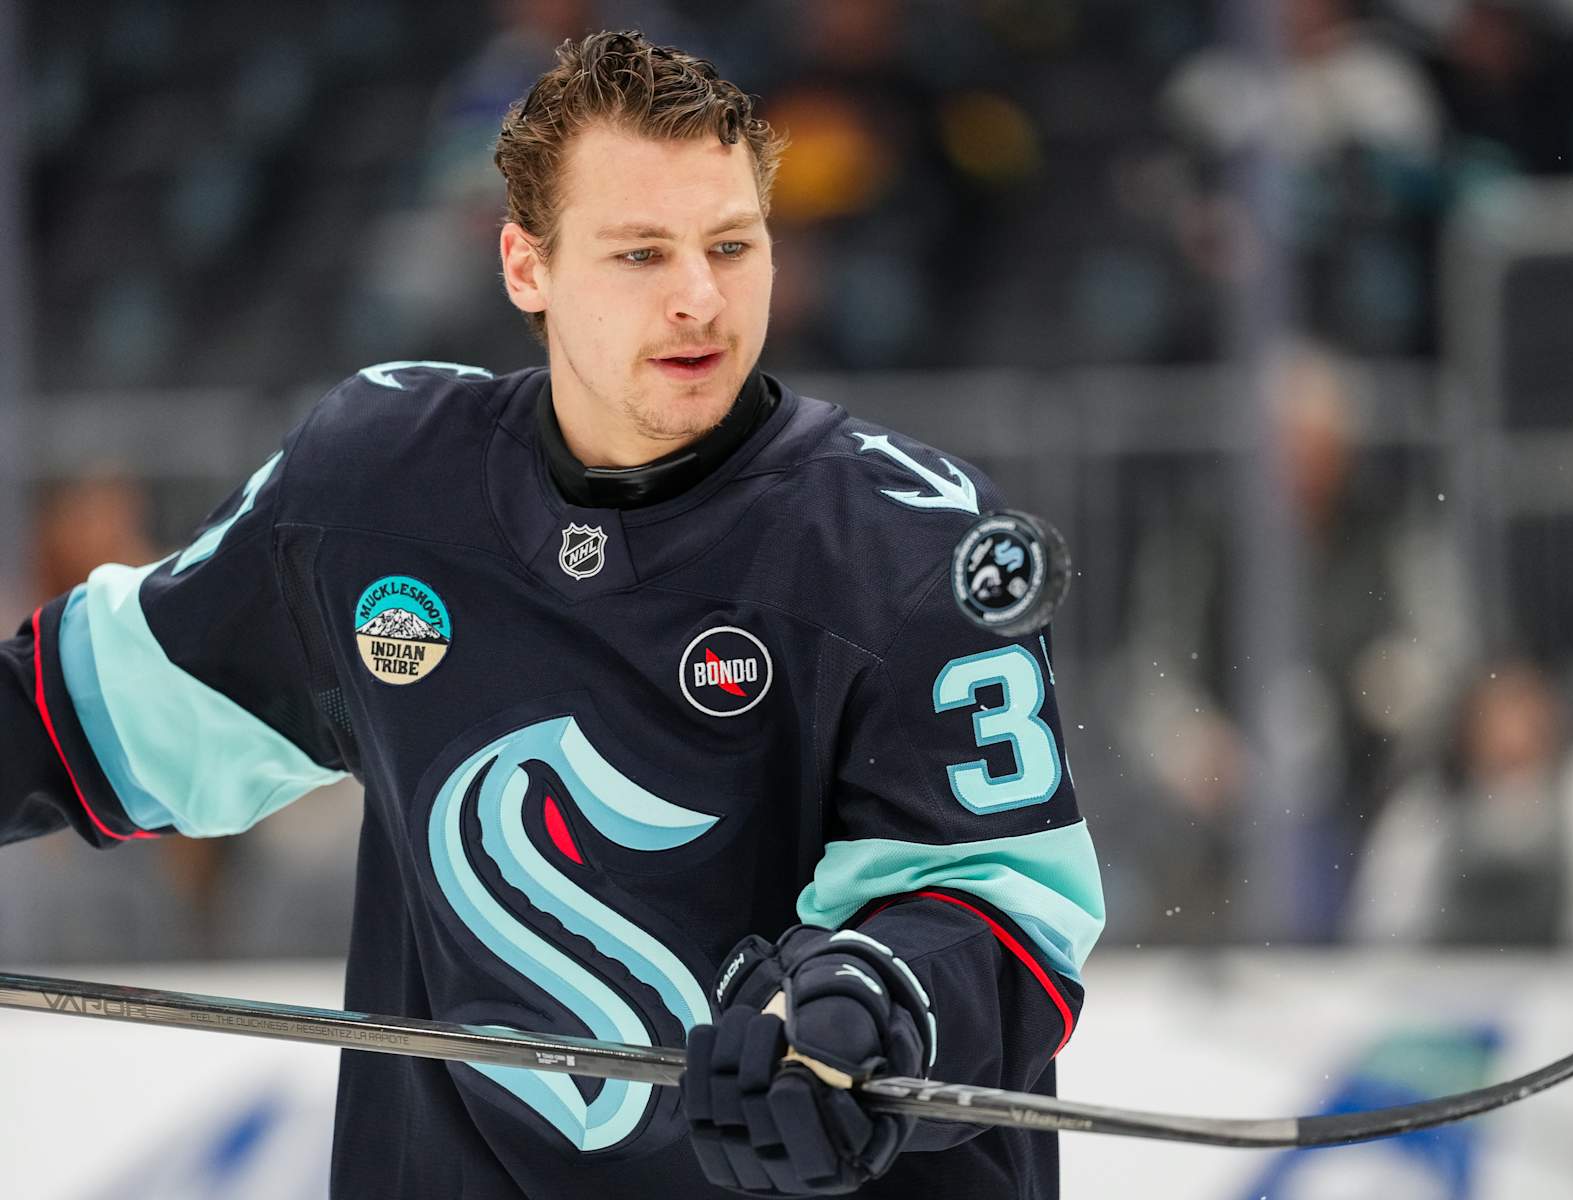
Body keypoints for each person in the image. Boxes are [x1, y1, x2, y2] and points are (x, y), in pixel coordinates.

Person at [0, 30, 1104, 1200]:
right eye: (640, 254)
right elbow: (86, 713)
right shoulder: (373, 490)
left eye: (733, 245)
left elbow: (1007, 919)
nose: (699, 298)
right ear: (526, 267)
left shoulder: (907, 539)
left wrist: (864, 1012)